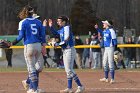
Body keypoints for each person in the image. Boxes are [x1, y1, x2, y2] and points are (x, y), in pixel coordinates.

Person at [9, 5, 47, 93]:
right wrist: (44, 46)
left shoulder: (23, 22)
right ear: (32, 12)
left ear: (25, 12)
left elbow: (20, 36)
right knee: (35, 67)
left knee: (32, 69)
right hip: (38, 46)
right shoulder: (38, 22)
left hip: (29, 46)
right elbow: (43, 35)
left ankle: (34, 89)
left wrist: (12, 43)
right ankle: (33, 88)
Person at [48, 16, 85, 93]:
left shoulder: (66, 28)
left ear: (64, 22)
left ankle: (80, 86)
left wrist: (56, 44)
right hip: (65, 50)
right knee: (68, 70)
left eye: (59, 21)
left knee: (69, 70)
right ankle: (69, 88)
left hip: (69, 50)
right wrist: (51, 26)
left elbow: (66, 40)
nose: (57, 22)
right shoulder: (62, 29)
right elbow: (56, 34)